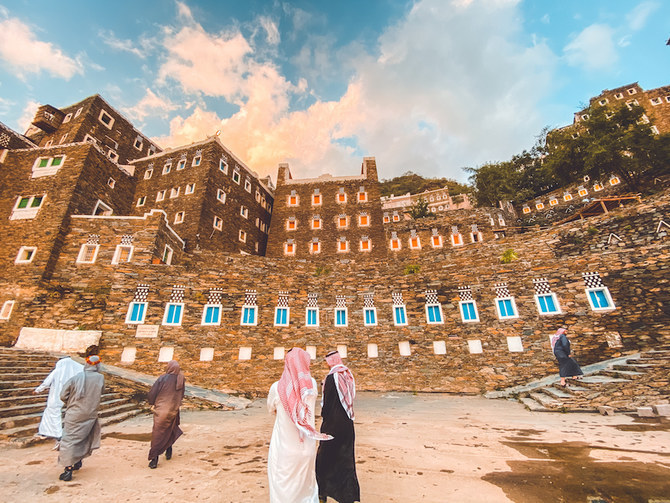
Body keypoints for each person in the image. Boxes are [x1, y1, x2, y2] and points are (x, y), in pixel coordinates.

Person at [267, 348, 332, 503]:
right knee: (306, 483)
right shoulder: (311, 385)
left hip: (284, 447)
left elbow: (271, 408)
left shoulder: (277, 387)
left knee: (282, 482)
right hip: (307, 446)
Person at [316, 351, 360, 503]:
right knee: (346, 460)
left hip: (332, 425)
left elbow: (327, 404)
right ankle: (347, 496)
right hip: (347, 423)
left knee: (325, 459)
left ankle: (322, 493)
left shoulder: (331, 377)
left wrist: (323, 416)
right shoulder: (348, 375)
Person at [58, 355, 105, 482]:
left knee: (70, 439)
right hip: (90, 413)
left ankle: (68, 468)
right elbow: (101, 391)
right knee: (84, 437)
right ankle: (78, 459)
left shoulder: (76, 378)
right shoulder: (100, 378)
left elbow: (63, 395)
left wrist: (72, 403)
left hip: (74, 413)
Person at [34, 356, 83, 445]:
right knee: (50, 412)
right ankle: (45, 431)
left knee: (54, 413)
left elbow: (46, 382)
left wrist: (38, 390)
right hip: (67, 396)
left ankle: (57, 434)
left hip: (55, 396)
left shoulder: (57, 371)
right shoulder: (73, 372)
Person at [147, 360, 185, 469]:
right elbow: (181, 395)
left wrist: (152, 402)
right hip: (174, 409)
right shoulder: (181, 379)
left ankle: (154, 459)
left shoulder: (163, 378)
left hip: (162, 410)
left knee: (158, 433)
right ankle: (169, 450)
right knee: (170, 429)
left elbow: (153, 392)